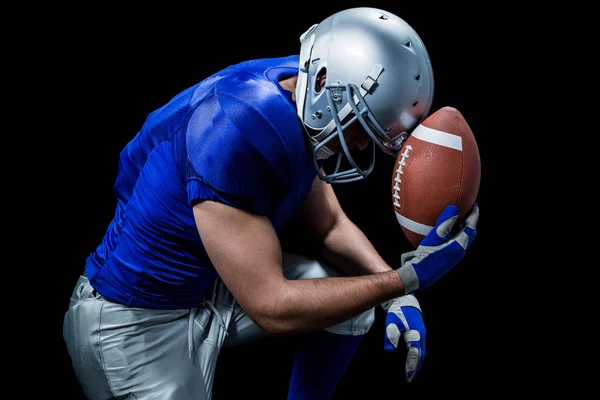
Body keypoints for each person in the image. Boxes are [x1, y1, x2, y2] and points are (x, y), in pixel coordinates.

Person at [63, 6, 479, 400]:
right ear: (323, 85)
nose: (359, 144)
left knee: (350, 306)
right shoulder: (237, 125)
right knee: (349, 294)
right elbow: (271, 307)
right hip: (133, 323)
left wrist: (395, 295)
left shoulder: (301, 91)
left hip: (206, 286)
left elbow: (328, 226)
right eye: (359, 126)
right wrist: (405, 280)